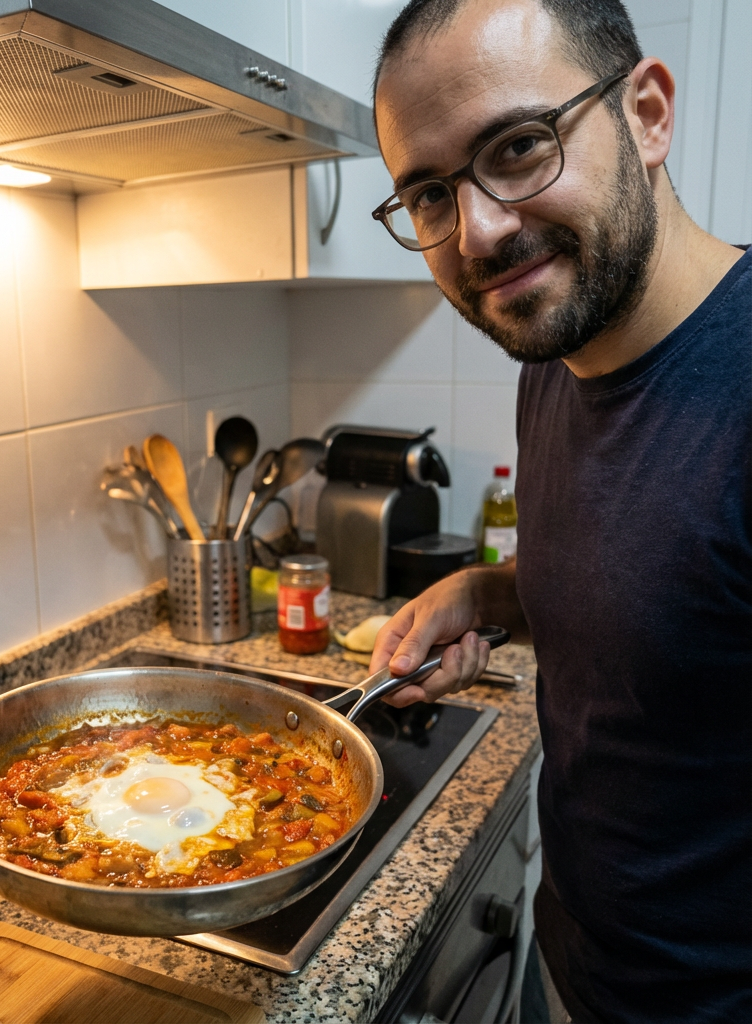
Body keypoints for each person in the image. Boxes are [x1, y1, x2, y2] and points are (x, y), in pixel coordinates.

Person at [368, 0, 751, 1020]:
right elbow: (667, 604)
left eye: (520, 145)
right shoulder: (557, 351)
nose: (480, 229)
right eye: (429, 196)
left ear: (649, 114)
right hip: (571, 964)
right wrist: (492, 592)